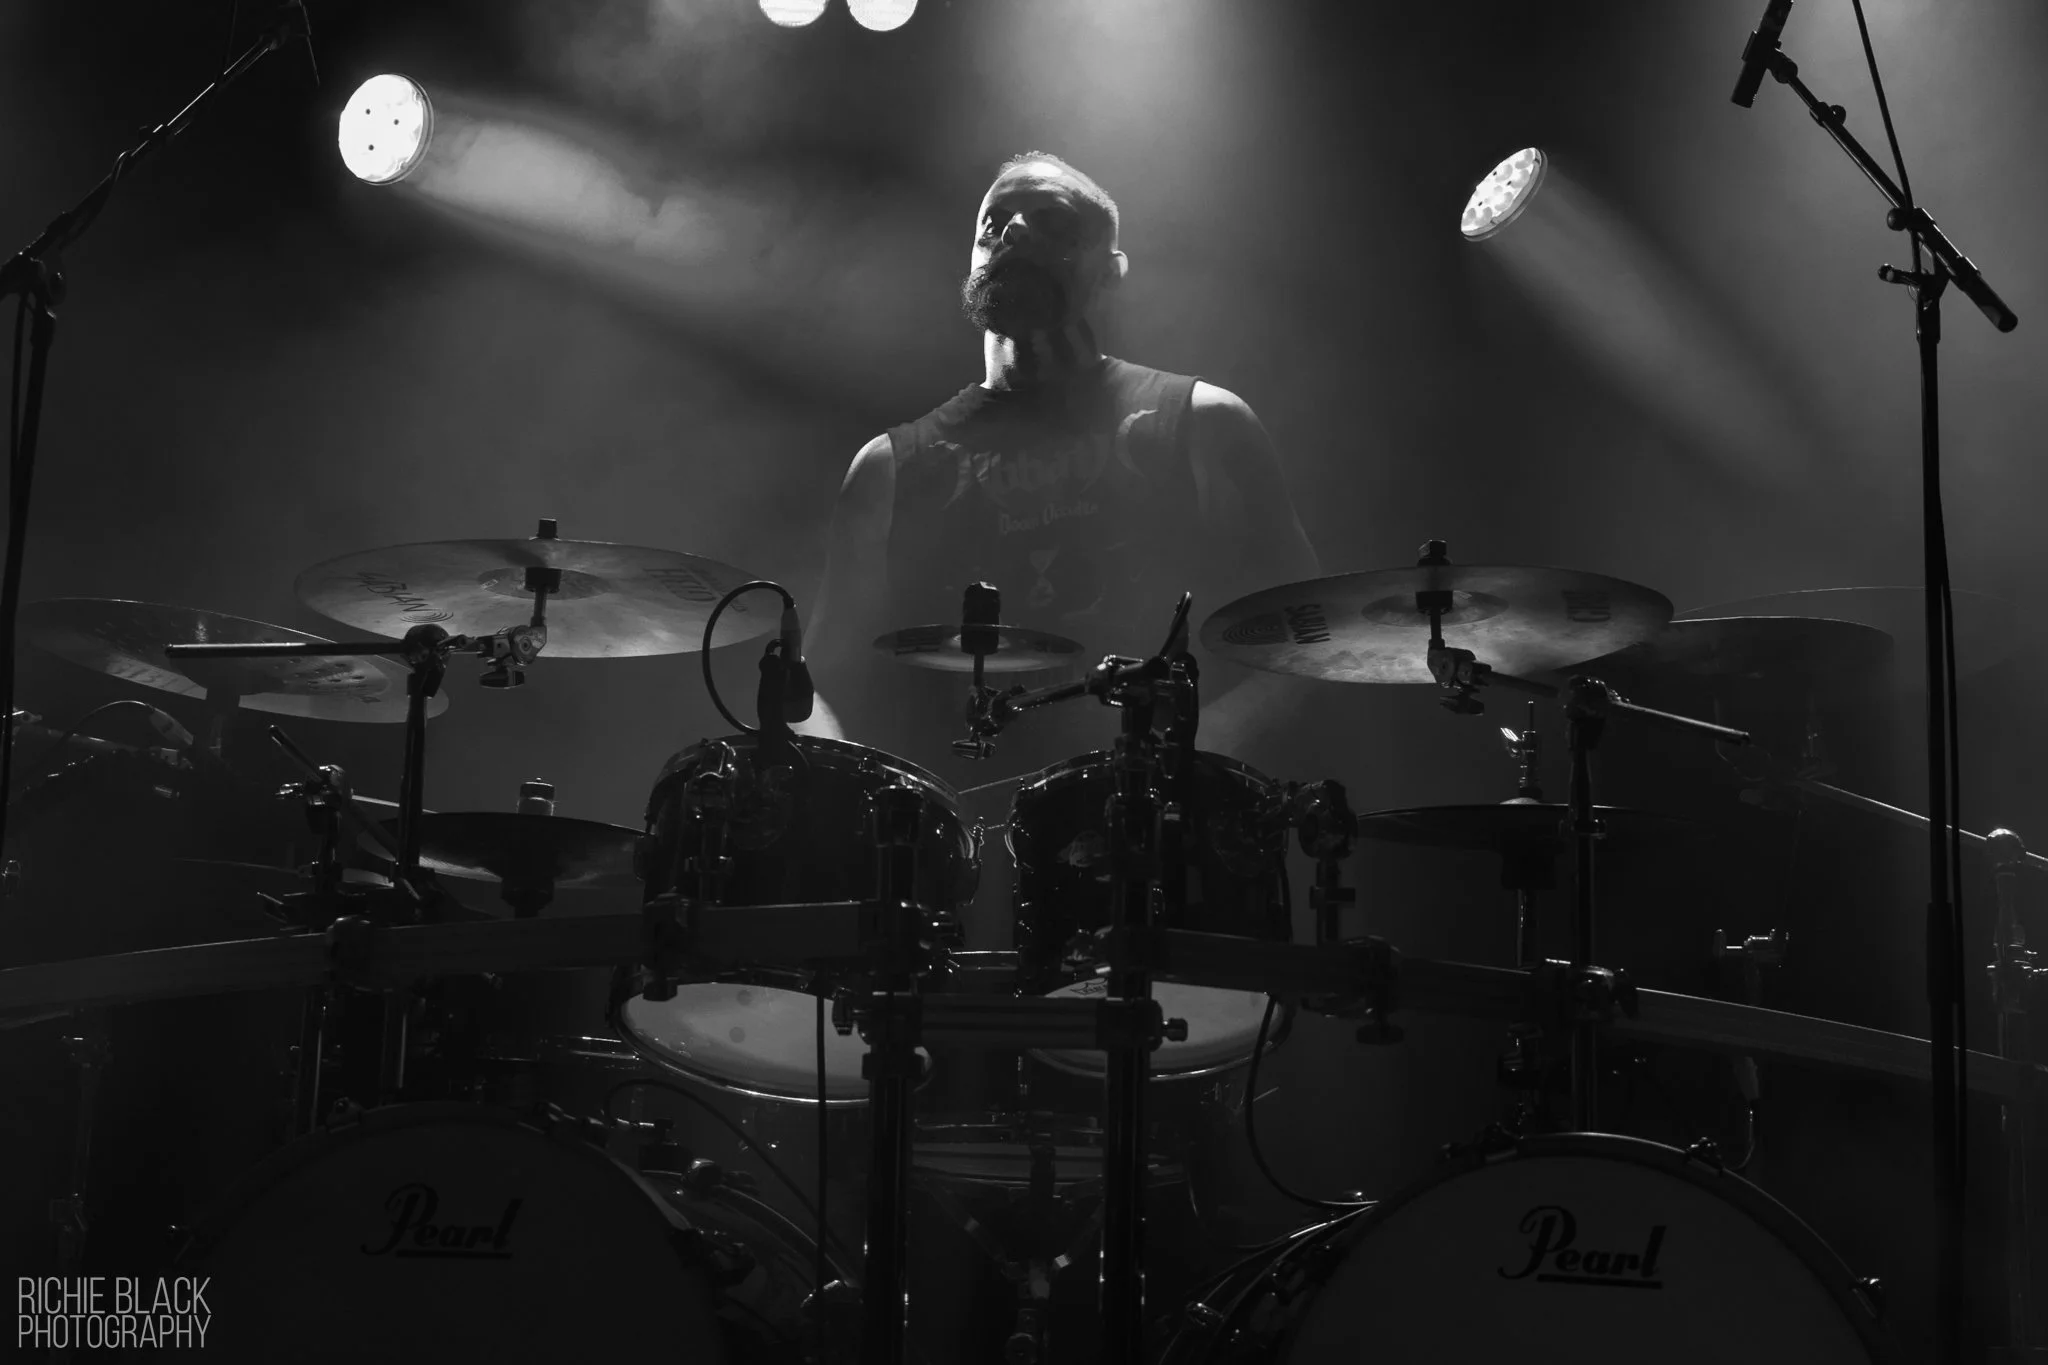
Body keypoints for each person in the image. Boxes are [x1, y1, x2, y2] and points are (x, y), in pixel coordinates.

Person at [801, 151, 1319, 789]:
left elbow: (1309, 633)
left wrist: (1202, 756)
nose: (1013, 231)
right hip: (965, 831)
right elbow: (819, 683)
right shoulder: (888, 470)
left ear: (1111, 271)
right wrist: (866, 797)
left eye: (1052, 221)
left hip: (1168, 817)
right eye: (993, 224)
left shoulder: (1205, 424)